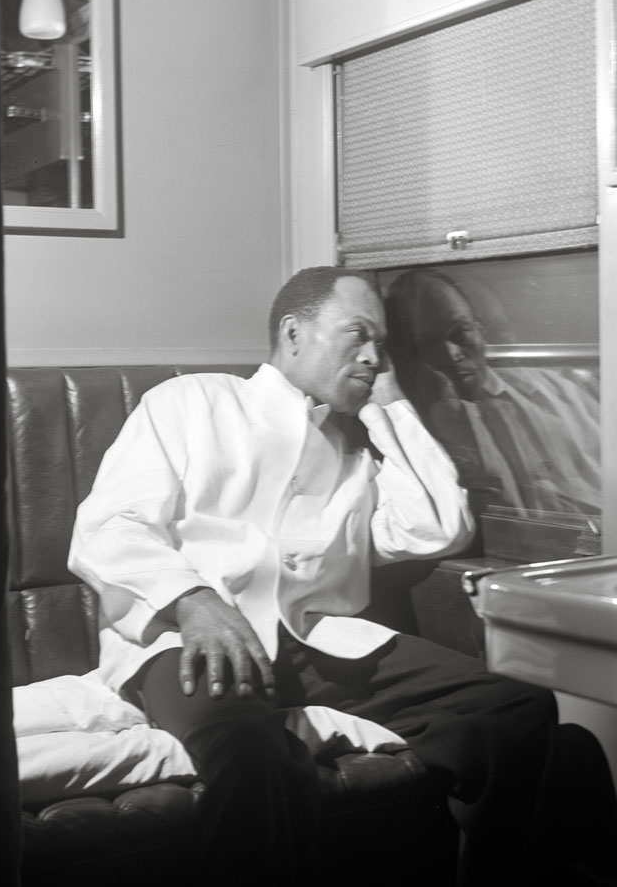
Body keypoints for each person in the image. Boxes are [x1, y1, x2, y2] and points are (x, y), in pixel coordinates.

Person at [68, 267, 559, 887]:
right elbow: (111, 524)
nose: (375, 357)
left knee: (517, 706)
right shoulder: (191, 403)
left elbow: (436, 528)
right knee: (254, 759)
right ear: (293, 333)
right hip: (192, 640)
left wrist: (393, 407)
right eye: (358, 335)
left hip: (315, 645)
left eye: (381, 344)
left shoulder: (354, 453)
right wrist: (193, 600)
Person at [384, 268, 601, 518]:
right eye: (429, 344)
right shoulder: (411, 431)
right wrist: (450, 420)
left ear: (480, 331)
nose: (452, 353)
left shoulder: (559, 390)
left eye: (460, 331)